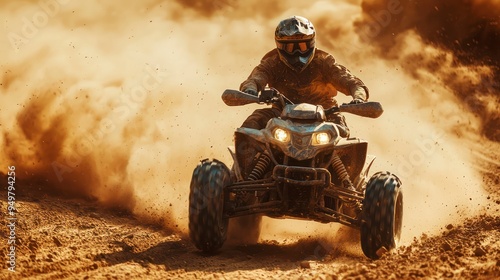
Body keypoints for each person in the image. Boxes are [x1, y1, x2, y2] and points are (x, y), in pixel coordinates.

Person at [239, 15, 369, 190]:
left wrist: (358, 97)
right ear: (279, 46)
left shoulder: (324, 62)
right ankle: (243, 180)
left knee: (342, 134)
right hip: (280, 112)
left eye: (301, 46)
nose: (297, 52)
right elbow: (255, 79)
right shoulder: (272, 62)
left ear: (311, 43)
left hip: (326, 113)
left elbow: (352, 82)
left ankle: (346, 188)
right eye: (290, 47)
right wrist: (251, 91)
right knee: (251, 125)